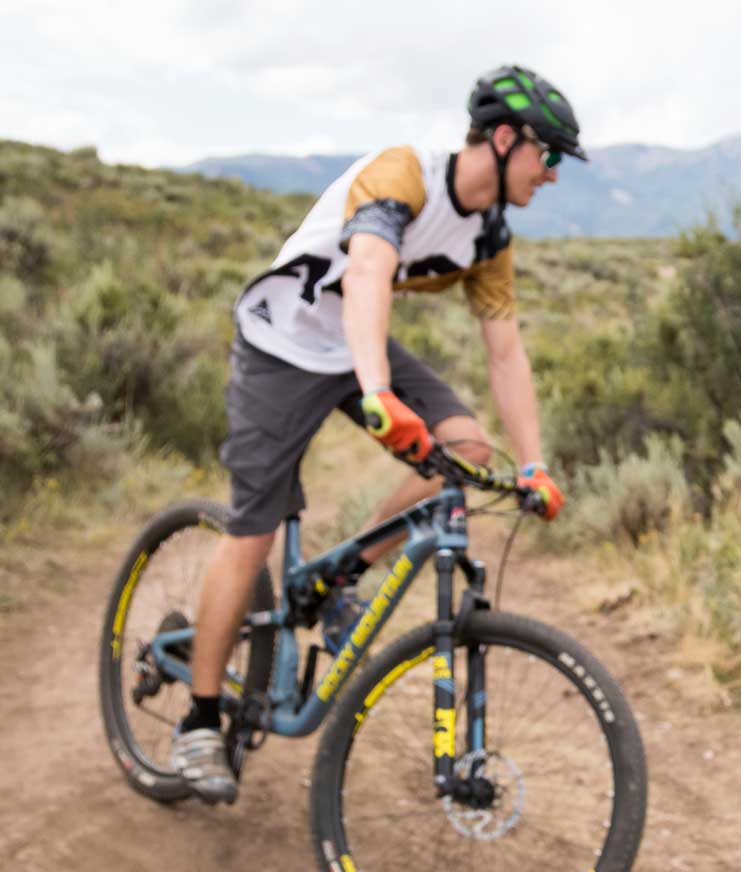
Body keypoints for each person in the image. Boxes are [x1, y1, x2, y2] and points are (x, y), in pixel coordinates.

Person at [171, 64, 585, 803]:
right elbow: (366, 272)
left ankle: (338, 579)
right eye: (547, 154)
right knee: (253, 531)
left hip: (356, 344)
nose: (552, 173)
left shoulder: (490, 234)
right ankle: (199, 718)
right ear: (502, 138)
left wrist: (536, 463)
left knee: (466, 449)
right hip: (285, 340)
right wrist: (377, 394)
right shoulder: (406, 174)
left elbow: (505, 348)